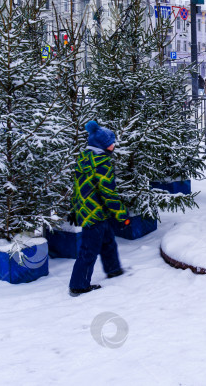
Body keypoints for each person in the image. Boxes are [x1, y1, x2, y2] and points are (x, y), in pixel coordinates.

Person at [68, 120, 129, 296]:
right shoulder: (102, 164)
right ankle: (78, 284)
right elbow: (109, 193)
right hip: (94, 214)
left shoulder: (84, 159)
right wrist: (121, 216)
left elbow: (78, 188)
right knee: (89, 249)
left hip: (89, 211)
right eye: (111, 143)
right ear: (103, 145)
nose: (114, 145)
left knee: (108, 240)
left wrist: (75, 209)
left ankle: (113, 269)